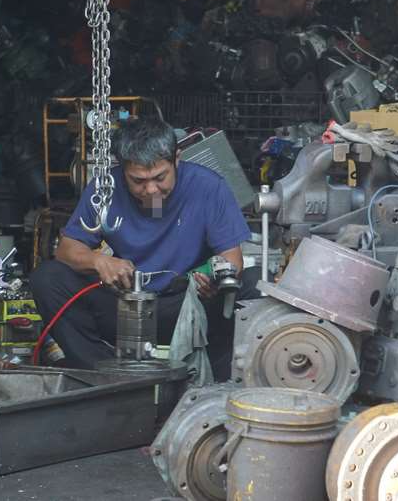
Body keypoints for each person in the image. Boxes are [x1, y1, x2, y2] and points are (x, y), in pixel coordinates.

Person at [30, 117, 257, 379]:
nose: (151, 189)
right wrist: (98, 261)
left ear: (177, 158)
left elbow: (232, 259)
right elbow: (66, 250)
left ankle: (216, 376)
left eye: (160, 177)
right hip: (127, 306)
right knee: (47, 279)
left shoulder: (208, 186)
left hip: (187, 304)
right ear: (121, 167)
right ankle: (104, 377)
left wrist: (212, 279)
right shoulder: (105, 189)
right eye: (138, 180)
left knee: (253, 282)